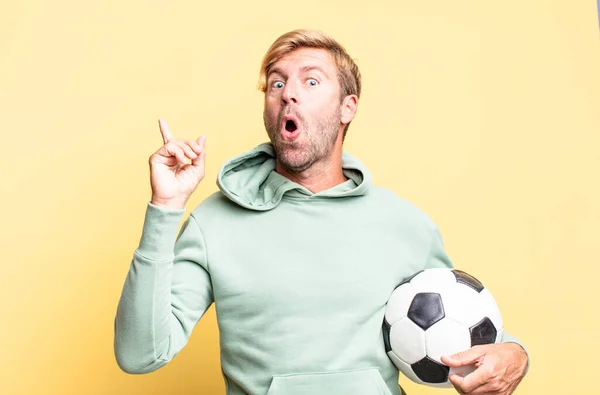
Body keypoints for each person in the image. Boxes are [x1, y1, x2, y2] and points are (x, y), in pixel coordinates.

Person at [114, 29, 529, 395]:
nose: (288, 92)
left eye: (310, 80)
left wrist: (515, 352)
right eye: (276, 84)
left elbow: (457, 323)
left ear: (348, 107)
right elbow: (140, 354)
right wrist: (165, 208)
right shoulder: (215, 222)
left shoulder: (405, 224)